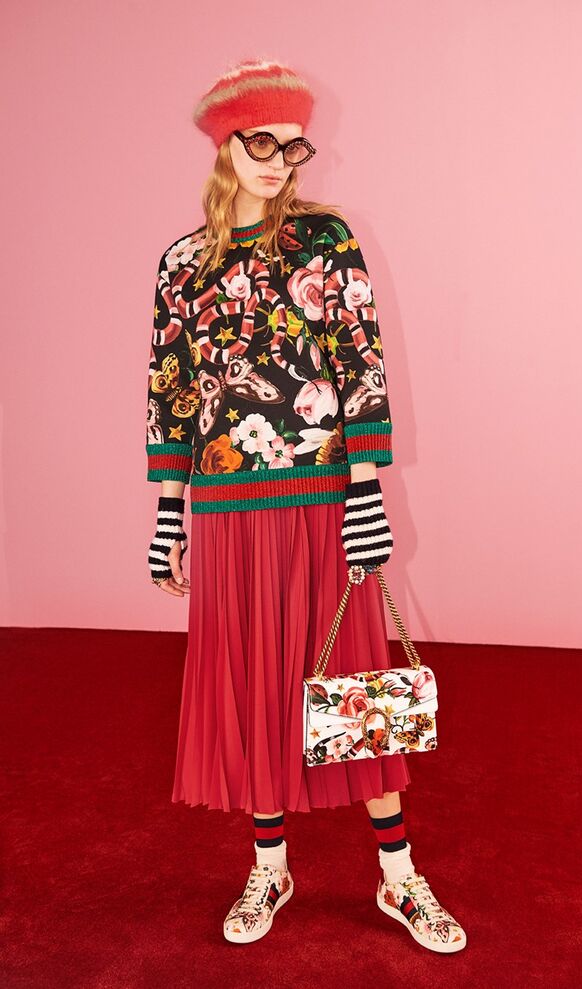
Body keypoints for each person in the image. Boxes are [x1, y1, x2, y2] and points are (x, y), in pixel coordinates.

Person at [145, 57, 466, 953]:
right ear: (225, 143)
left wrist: (366, 494)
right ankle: (270, 866)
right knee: (254, 688)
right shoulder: (181, 266)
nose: (282, 162)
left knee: (356, 687)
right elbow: (172, 395)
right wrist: (169, 516)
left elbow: (361, 369)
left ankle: (399, 878)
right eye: (264, 142)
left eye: (294, 146)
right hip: (227, 512)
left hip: (325, 500)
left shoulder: (325, 241)